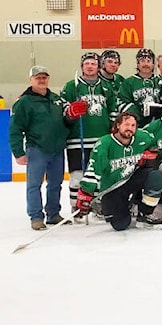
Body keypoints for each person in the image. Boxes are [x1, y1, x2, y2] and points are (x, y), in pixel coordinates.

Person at [9, 65, 85, 230]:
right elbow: (15, 129)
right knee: (34, 184)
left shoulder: (56, 99)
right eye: (38, 77)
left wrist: (72, 114)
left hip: (57, 150)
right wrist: (18, 152)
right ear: (31, 80)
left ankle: (53, 213)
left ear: (48, 79)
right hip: (37, 149)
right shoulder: (24, 102)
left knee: (55, 183)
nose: (41, 80)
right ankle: (36, 217)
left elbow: (67, 121)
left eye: (44, 77)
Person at [77, 111, 162, 230]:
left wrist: (152, 152)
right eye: (126, 125)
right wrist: (86, 191)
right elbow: (94, 168)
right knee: (121, 225)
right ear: (118, 125)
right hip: (113, 188)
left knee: (155, 176)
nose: (130, 128)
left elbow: (154, 144)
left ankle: (145, 213)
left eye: (133, 126)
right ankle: (113, 207)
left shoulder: (143, 137)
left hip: (131, 180)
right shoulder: (104, 143)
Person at [61, 52, 117, 216]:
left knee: (99, 175)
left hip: (101, 140)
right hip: (77, 140)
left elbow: (113, 109)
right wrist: (70, 112)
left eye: (93, 63)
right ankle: (77, 207)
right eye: (87, 63)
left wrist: (113, 127)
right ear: (82, 66)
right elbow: (64, 110)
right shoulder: (72, 86)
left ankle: (97, 203)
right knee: (77, 176)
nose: (90, 66)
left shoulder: (106, 87)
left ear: (98, 66)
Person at [118, 48, 162, 126]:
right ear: (138, 64)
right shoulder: (128, 82)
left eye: (148, 61)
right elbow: (122, 104)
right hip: (136, 126)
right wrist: (141, 110)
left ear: (153, 65)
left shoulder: (160, 81)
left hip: (158, 126)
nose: (146, 64)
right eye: (142, 61)